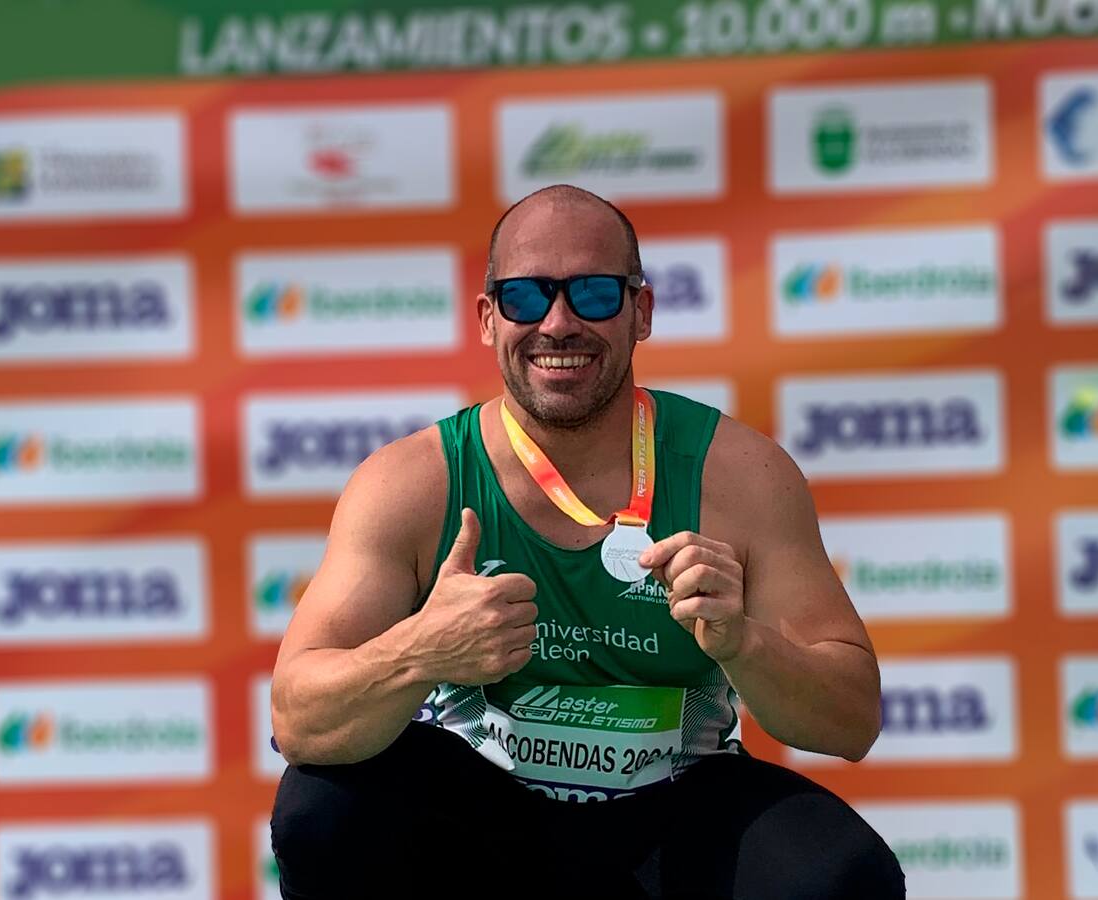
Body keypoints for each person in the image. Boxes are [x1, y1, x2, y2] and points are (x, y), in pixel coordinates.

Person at [269, 184, 905, 899]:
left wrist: (742, 642)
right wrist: (422, 651)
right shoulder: (413, 482)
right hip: (481, 815)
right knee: (323, 812)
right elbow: (300, 718)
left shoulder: (741, 475)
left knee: (834, 874)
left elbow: (851, 721)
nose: (559, 323)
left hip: (673, 809)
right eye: (526, 297)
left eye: (595, 293)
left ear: (643, 311)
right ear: (487, 318)